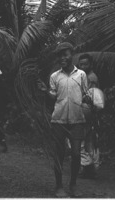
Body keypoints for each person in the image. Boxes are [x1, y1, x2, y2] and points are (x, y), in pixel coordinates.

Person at [38, 42, 89, 197]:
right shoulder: (55, 76)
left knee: (75, 154)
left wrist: (90, 100)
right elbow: (54, 97)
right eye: (60, 55)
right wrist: (45, 90)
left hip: (77, 120)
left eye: (65, 54)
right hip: (59, 120)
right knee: (59, 154)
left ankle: (73, 184)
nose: (62, 58)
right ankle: (59, 186)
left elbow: (86, 95)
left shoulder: (81, 75)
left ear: (71, 55)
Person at [78, 53, 100, 179]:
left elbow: (91, 97)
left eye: (85, 64)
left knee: (80, 138)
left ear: (90, 64)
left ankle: (88, 165)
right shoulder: (85, 76)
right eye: (81, 64)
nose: (82, 66)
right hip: (88, 111)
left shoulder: (91, 78)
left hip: (87, 112)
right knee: (88, 140)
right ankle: (90, 167)